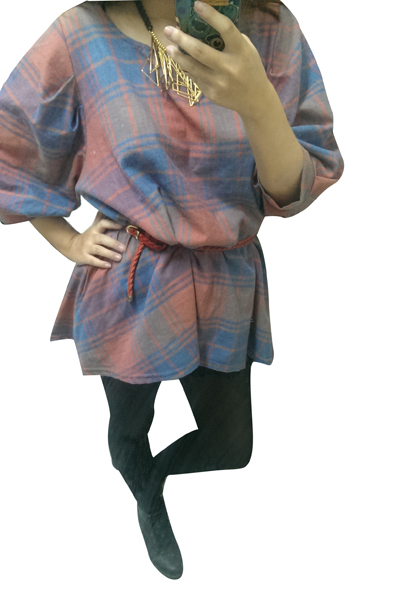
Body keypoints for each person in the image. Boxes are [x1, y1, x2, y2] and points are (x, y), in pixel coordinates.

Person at [0, 0, 344, 580]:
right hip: (130, 282)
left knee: (232, 445)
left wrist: (258, 101)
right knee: (129, 428)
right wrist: (67, 240)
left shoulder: (269, 29)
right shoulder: (81, 35)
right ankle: (142, 486)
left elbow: (297, 187)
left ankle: (151, 484)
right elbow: (11, 147)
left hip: (226, 279)